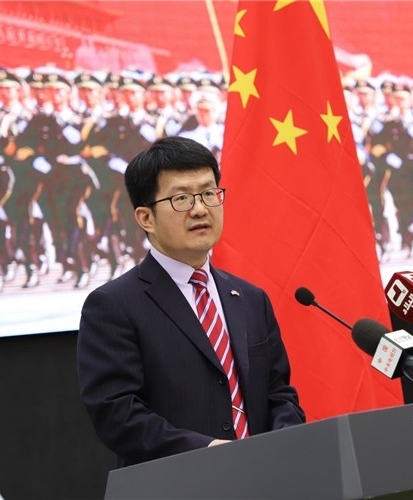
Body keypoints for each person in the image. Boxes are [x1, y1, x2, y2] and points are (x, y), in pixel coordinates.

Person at [77, 136, 306, 467]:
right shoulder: (113, 306)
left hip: (265, 476)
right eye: (181, 198)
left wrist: (283, 442)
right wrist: (209, 451)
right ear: (146, 218)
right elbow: (117, 415)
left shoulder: (250, 298)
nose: (200, 209)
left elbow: (279, 393)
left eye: (209, 193)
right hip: (178, 480)